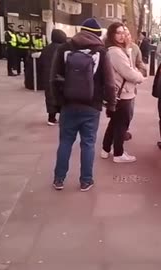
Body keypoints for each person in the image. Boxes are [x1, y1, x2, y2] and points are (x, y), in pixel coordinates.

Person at [50, 18, 116, 191]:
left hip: (68, 103)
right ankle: (86, 181)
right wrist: (111, 104)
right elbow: (109, 82)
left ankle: (59, 179)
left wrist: (57, 103)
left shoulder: (64, 48)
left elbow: (53, 78)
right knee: (88, 143)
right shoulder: (101, 51)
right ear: (97, 34)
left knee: (65, 141)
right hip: (91, 105)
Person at [101, 22, 145, 163]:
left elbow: (129, 67)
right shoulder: (115, 52)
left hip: (119, 93)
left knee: (114, 123)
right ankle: (118, 154)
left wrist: (128, 49)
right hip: (123, 94)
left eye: (123, 33)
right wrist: (140, 77)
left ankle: (105, 149)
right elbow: (129, 73)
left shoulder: (118, 50)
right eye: (118, 33)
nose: (122, 36)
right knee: (121, 124)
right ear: (112, 35)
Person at [39, 29, 67, 126]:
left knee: (50, 96)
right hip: (60, 76)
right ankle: (63, 117)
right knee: (62, 96)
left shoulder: (46, 49)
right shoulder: (63, 48)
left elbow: (40, 63)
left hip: (47, 76)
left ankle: (51, 118)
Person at [124, 26, 147, 141]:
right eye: (123, 34)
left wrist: (142, 71)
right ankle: (118, 135)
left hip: (131, 85)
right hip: (118, 87)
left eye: (128, 34)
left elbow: (140, 63)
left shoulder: (135, 48)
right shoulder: (114, 49)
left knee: (129, 112)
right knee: (117, 115)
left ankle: (124, 129)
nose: (126, 37)